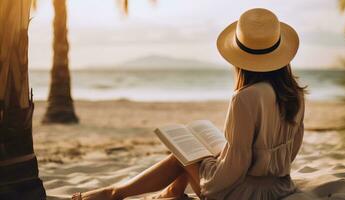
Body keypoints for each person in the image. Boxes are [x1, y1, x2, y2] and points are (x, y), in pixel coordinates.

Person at [72, 8, 306, 200]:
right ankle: (171, 192)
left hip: (244, 194)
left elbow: (237, 165)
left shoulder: (245, 97)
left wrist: (207, 184)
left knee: (184, 156)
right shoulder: (295, 94)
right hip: (279, 187)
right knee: (201, 155)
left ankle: (113, 194)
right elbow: (290, 152)